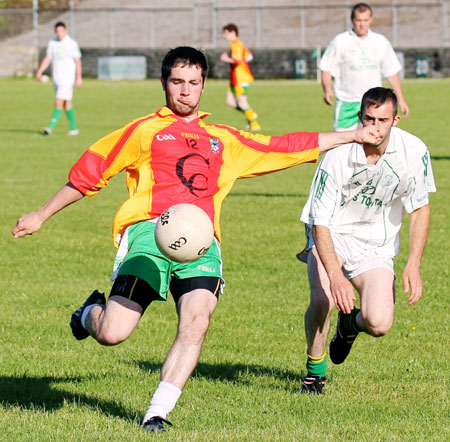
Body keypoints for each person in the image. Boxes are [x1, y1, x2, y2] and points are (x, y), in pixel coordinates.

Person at [12, 47, 380, 432]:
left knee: (196, 320)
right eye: (177, 82)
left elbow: (282, 146)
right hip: (149, 235)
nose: (185, 91)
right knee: (112, 333)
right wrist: (41, 214)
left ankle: (157, 412)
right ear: (163, 84)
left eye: (193, 83)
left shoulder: (224, 139)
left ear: (204, 85)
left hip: (202, 244)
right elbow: (90, 172)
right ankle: (88, 313)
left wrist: (354, 135)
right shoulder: (144, 131)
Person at [298, 87, 435, 394]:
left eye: (382, 120)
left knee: (379, 322)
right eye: (369, 119)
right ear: (359, 118)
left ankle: (350, 325)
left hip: (376, 244)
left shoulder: (414, 151)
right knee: (324, 299)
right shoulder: (337, 155)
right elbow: (319, 222)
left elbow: (421, 207)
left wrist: (413, 264)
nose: (375, 127)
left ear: (395, 120)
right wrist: (335, 276)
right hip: (331, 234)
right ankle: (315, 372)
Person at [320, 2, 409, 131]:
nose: (362, 24)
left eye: (366, 20)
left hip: (374, 103)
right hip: (347, 101)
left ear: (371, 20)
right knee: (341, 143)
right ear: (352, 20)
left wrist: (401, 99)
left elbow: (391, 72)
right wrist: (327, 89)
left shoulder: (380, 41)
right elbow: (326, 67)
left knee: (375, 140)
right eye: (359, 20)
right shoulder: (340, 41)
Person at [36, 21, 82, 136]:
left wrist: (79, 77)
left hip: (68, 78)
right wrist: (40, 70)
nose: (59, 33)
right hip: (56, 78)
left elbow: (78, 61)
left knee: (58, 101)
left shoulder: (71, 44)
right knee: (66, 103)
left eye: (61, 31)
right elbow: (48, 58)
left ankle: (49, 128)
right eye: (57, 31)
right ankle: (74, 128)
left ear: (66, 31)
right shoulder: (52, 43)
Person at [220, 23, 261, 131]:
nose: (225, 36)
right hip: (234, 78)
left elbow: (237, 60)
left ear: (233, 32)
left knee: (242, 102)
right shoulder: (236, 44)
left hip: (240, 78)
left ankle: (254, 123)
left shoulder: (236, 44)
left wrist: (225, 59)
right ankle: (250, 114)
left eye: (226, 33)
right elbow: (249, 56)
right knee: (230, 101)